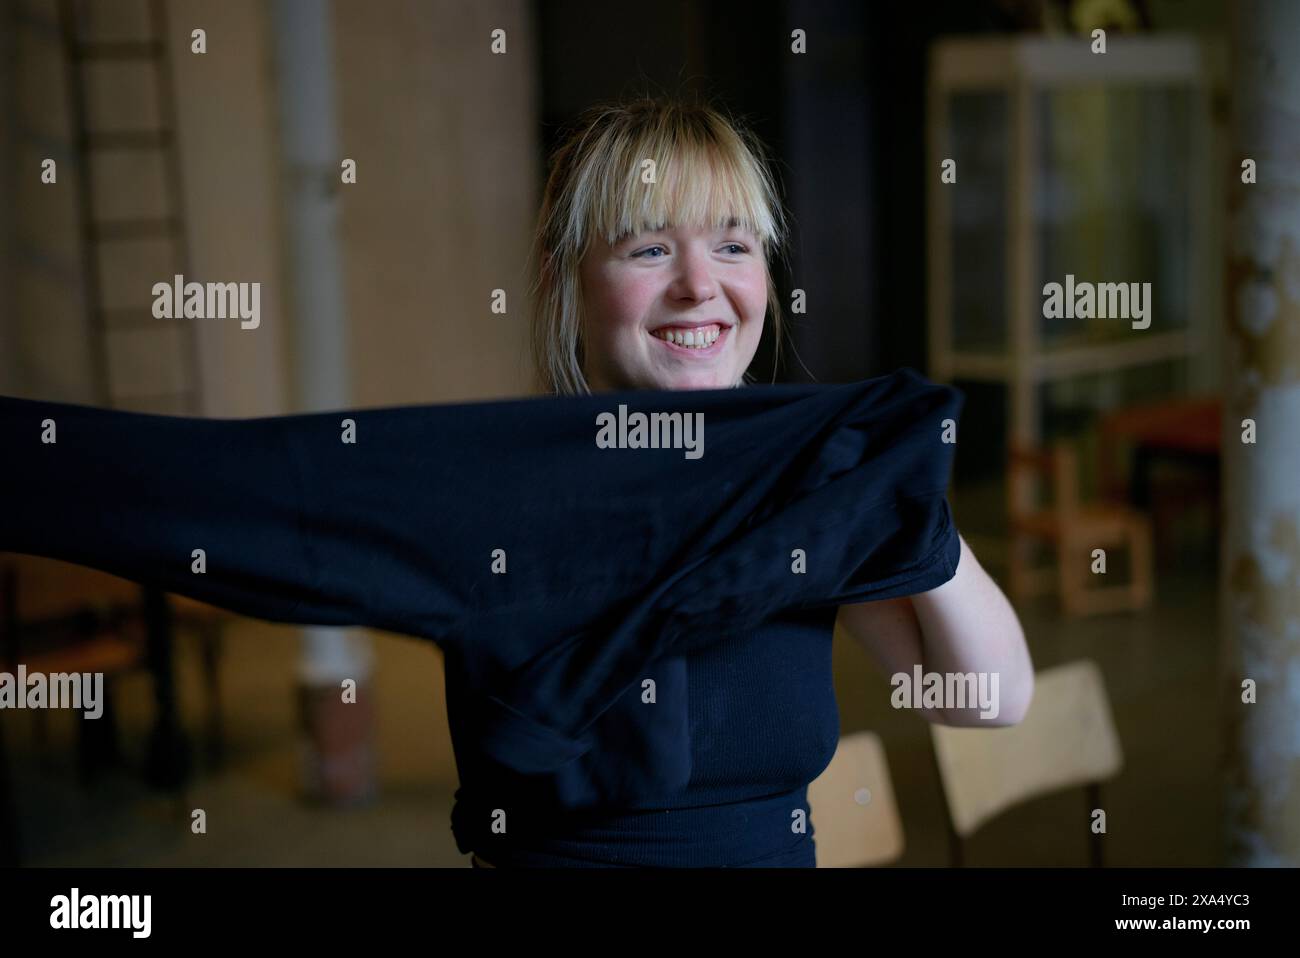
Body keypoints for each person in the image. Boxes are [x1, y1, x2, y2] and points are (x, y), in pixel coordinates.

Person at [459, 94, 1034, 867]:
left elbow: (986, 702)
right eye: (649, 248)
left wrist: (906, 505)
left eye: (733, 246)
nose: (701, 285)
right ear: (567, 278)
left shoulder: (801, 478)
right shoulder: (498, 496)